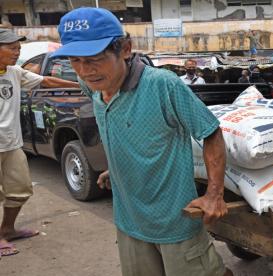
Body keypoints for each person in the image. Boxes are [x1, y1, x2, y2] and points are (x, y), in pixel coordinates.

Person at [52, 8, 232, 276]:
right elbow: (125, 128)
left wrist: (214, 195)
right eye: (75, 60)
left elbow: (211, 132)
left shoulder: (163, 85)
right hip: (128, 221)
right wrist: (118, 166)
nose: (84, 70)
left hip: (174, 221)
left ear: (125, 49)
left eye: (95, 59)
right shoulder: (91, 85)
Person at [0, 28, 79, 258]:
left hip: (12, 144)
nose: (17, 52)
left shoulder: (14, 73)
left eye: (18, 48)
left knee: (20, 190)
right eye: (12, 48)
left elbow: (46, 81)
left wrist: (82, 87)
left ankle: (7, 229)